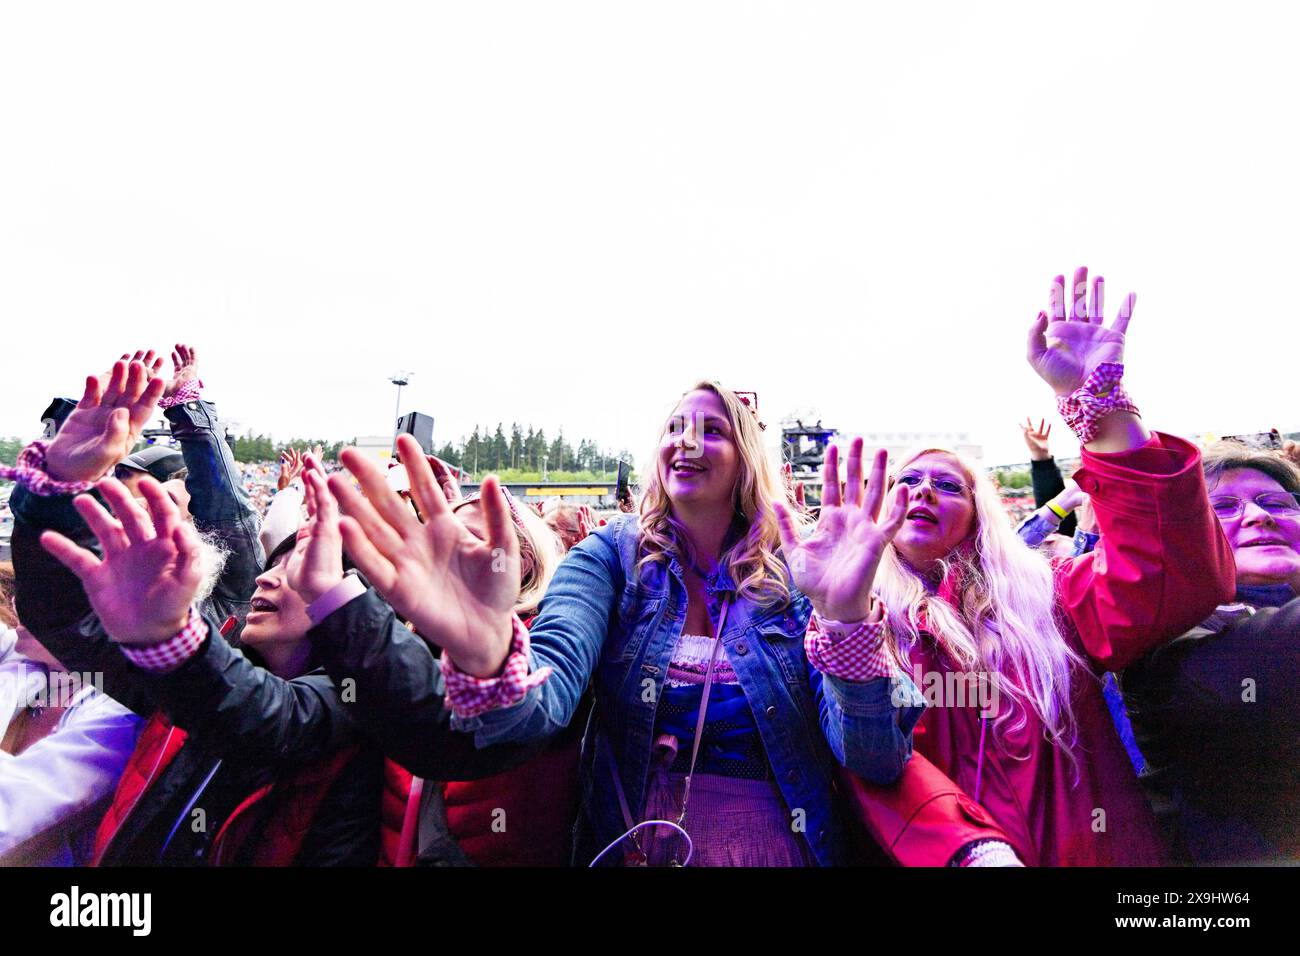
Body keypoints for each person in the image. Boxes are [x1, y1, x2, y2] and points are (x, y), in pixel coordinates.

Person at [326, 384, 928, 867]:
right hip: (628, 847)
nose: (686, 441)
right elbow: (545, 699)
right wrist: (491, 653)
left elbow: (873, 757)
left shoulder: (796, 574)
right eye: (674, 428)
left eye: (711, 430)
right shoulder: (609, 557)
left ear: (748, 461)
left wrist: (846, 621)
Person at [774, 267, 1235, 865]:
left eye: (948, 485)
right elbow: (870, 760)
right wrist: (843, 620)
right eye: (908, 480)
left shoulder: (1052, 596)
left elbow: (1175, 578)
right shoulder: (859, 625)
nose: (923, 492)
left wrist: (1105, 408)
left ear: (980, 515)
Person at [1119, 441, 1300, 863]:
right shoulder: (1160, 645)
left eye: (1275, 501)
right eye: (1222, 508)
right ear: (1175, 540)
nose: (1260, 516)